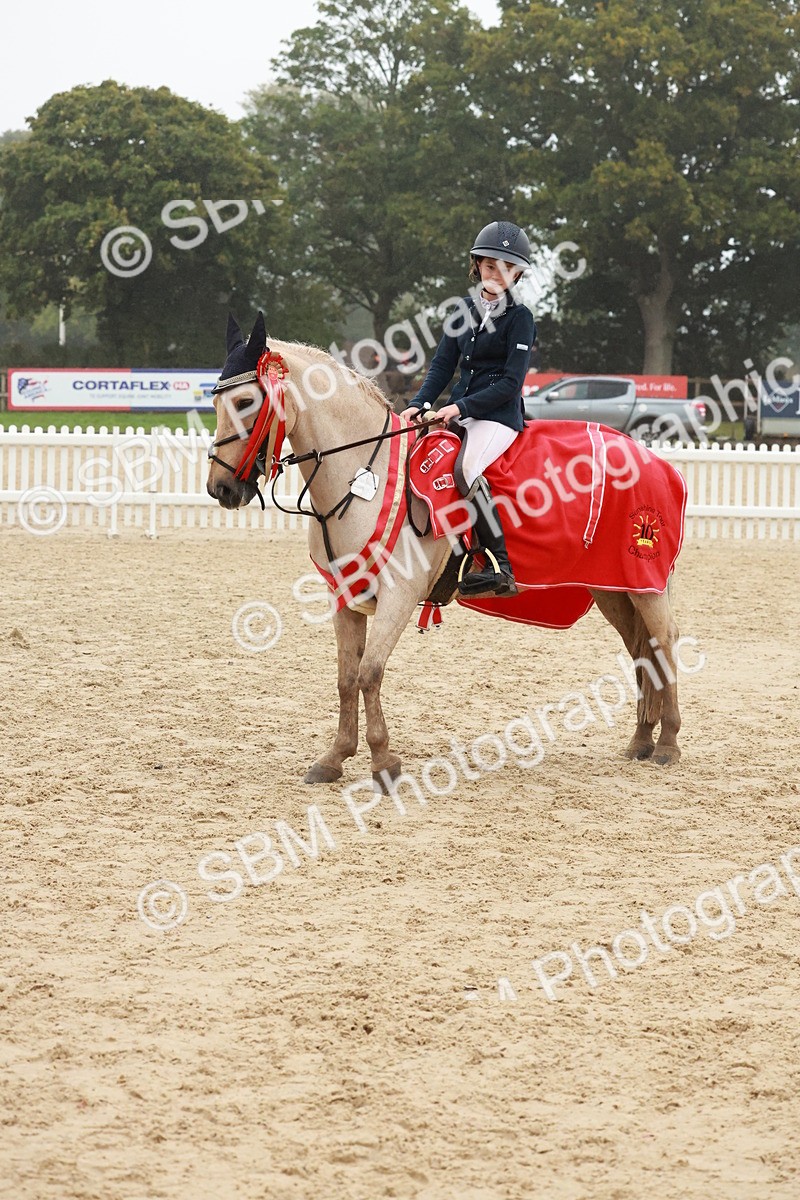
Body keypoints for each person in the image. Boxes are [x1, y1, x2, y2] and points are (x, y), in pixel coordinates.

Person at [402, 220, 536, 596]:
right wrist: (419, 403)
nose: (498, 274)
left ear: (518, 273)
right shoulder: (462, 309)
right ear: (477, 264)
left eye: (508, 268)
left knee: (465, 468)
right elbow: (443, 365)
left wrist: (459, 407)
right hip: (462, 410)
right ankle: (439, 555)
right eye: (491, 266)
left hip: (497, 415)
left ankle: (500, 566)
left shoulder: (520, 318)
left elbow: (511, 383)